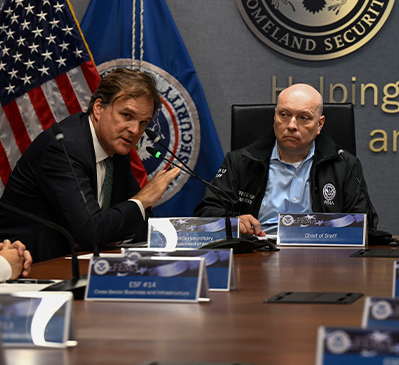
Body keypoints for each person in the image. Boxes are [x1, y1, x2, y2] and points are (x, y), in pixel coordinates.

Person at [0, 68, 180, 262]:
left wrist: (107, 231)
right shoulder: (64, 148)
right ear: (99, 108)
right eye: (127, 115)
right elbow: (92, 232)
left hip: (74, 263)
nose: (135, 130)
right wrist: (142, 199)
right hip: (27, 267)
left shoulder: (117, 149)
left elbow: (142, 225)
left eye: (143, 122)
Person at [193, 83, 378, 236]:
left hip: (321, 255)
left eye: (304, 118)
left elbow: (364, 224)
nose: (291, 125)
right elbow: (207, 213)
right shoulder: (240, 161)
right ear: (274, 117)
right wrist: (234, 223)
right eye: (284, 115)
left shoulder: (344, 164)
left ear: (319, 124)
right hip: (257, 254)